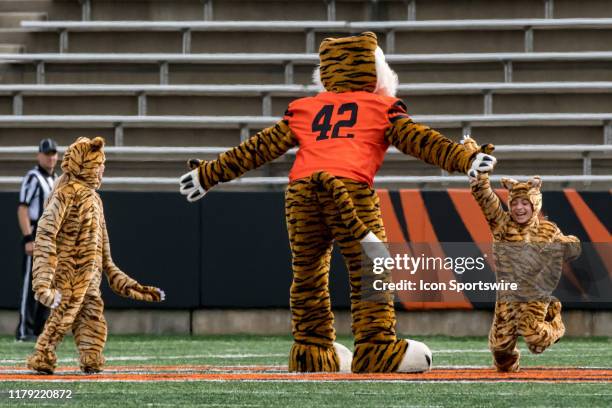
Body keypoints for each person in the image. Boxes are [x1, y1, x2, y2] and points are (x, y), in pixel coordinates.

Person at [179, 32, 497, 373]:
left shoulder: (305, 108)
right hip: (350, 188)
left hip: (301, 191)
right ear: (376, 69)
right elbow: (418, 139)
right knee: (371, 269)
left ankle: (311, 350)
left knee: (309, 273)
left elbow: (259, 147)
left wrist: (209, 174)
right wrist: (463, 159)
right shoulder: (382, 106)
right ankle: (375, 347)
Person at [26, 136, 165, 374]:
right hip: (68, 273)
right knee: (62, 317)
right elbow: (46, 233)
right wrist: (43, 282)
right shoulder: (66, 193)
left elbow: (104, 251)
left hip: (90, 278)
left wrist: (135, 287)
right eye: (99, 164)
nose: (102, 170)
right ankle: (43, 355)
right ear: (87, 163)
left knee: (92, 317)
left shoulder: (95, 199)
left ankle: (91, 357)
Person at [468, 167, 581, 372]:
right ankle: (509, 363)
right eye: (515, 203)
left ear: (535, 204)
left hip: (535, 296)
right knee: (500, 350)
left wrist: (567, 245)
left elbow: (573, 248)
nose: (519, 208)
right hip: (507, 298)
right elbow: (488, 202)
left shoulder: (549, 230)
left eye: (525, 203)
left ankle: (555, 321)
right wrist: (480, 179)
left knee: (535, 339)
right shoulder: (502, 225)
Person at [16, 138, 59, 342]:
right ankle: (25, 329)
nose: (50, 157)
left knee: (49, 285)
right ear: (38, 155)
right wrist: (27, 238)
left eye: (53, 154)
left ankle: (41, 330)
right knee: (31, 284)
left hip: (52, 238)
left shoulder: (56, 178)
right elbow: (22, 208)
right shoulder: (33, 178)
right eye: (47, 153)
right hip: (36, 235)